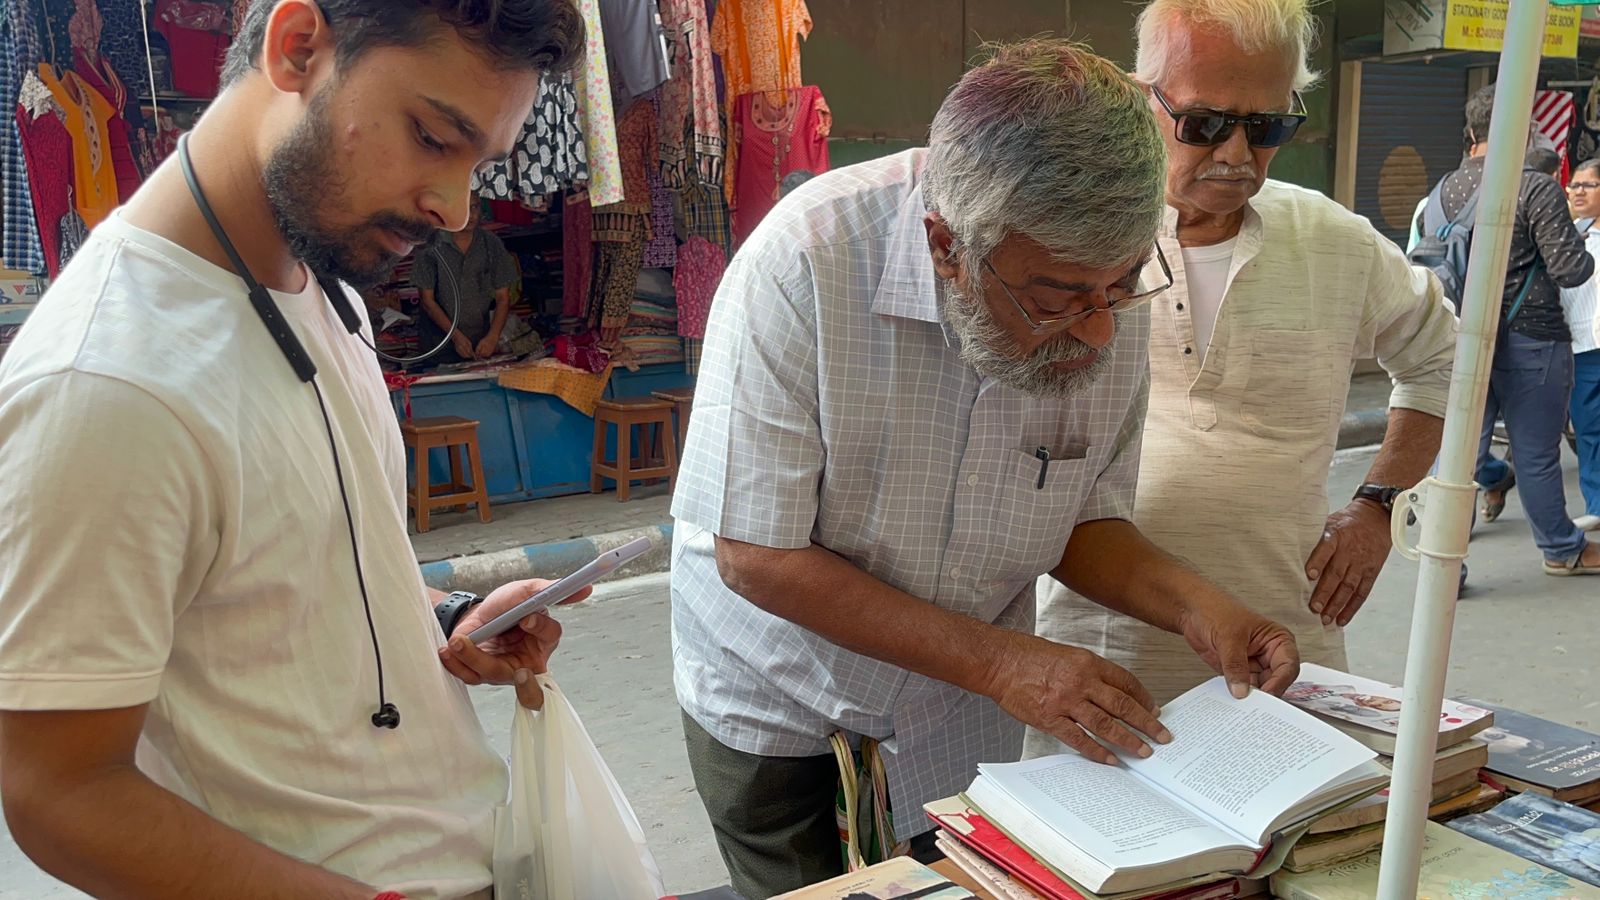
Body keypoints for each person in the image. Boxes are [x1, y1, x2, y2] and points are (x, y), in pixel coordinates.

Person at [670, 39, 1302, 899]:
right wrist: (1005, 666)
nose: (1098, 332)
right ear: (946, 246)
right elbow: (757, 555)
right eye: (1055, 299)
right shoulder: (805, 261)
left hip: (956, 715)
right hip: (782, 694)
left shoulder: (1098, 282)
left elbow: (1081, 518)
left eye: (1119, 289)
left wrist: (1201, 606)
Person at [0, 2, 584, 898]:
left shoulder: (324, 281)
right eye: (432, 137)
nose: (454, 205)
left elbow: (298, 571)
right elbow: (60, 793)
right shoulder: (106, 383)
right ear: (298, 48)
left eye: (479, 163)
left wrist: (446, 617)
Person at [1032, 0, 1459, 715]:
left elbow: (1443, 360)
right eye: (1205, 124)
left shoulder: (1336, 243)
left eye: (1266, 128)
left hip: (1288, 661)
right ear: (1142, 100)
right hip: (1102, 660)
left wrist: (1378, 506)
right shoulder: (1070, 244)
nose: (1235, 155)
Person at [1442, 84, 1600, 575]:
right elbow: (1570, 269)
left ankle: (1445, 566)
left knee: (1458, 454)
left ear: (1471, 134)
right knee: (1535, 454)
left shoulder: (1444, 190)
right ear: (1524, 132)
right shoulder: (1533, 186)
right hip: (1531, 337)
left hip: (1462, 339)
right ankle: (1561, 549)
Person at [412, 198, 520, 364]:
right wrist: (456, 336)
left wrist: (492, 337)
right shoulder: (431, 245)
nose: (471, 215)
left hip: (480, 341)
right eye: (465, 207)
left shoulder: (491, 243)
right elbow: (427, 301)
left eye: (475, 207)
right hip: (438, 343)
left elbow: (503, 298)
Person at [1560, 158, 1600, 532]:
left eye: (1588, 185)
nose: (1577, 192)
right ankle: (1598, 505)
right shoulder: (1567, 238)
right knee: (1589, 431)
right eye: (1574, 185)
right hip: (1582, 350)